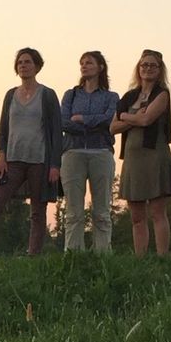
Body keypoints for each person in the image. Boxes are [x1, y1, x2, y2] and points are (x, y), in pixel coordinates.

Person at [0, 48, 63, 255]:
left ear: (37, 66)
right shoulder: (11, 95)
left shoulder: (47, 95)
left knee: (37, 211)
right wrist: (1, 156)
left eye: (27, 62)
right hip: (12, 160)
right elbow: (2, 130)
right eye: (20, 63)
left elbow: (56, 131)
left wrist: (55, 165)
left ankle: (33, 255)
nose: (23, 66)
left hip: (39, 161)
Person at [111, 50, 171, 256]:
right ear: (138, 69)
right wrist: (132, 117)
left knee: (157, 212)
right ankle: (140, 258)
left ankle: (162, 257)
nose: (147, 68)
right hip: (133, 159)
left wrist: (125, 116)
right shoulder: (129, 96)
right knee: (137, 216)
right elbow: (112, 127)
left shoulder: (162, 94)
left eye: (152, 65)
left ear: (159, 70)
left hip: (155, 156)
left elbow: (147, 120)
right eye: (144, 65)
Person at [60, 51, 118, 252]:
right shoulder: (71, 95)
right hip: (73, 152)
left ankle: (102, 254)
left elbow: (110, 119)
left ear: (100, 67)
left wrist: (83, 119)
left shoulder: (111, 97)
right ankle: (73, 254)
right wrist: (94, 123)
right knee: (73, 212)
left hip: (101, 152)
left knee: (101, 211)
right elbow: (64, 121)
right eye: (82, 63)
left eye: (89, 62)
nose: (84, 66)